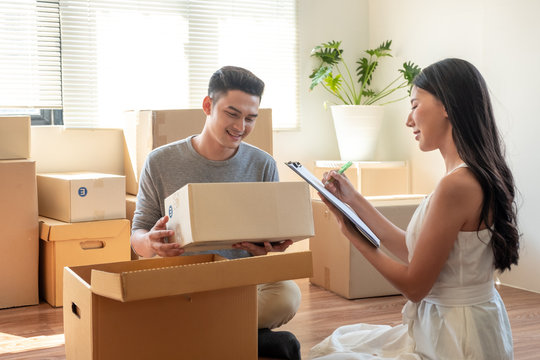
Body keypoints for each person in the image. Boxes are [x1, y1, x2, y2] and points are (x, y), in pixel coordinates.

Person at [310, 58, 519, 359]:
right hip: (462, 323)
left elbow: (415, 287)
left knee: (334, 352)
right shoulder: (469, 174)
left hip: (454, 337)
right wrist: (353, 200)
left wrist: (351, 233)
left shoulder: (456, 184)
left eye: (414, 105)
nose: (409, 120)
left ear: (446, 106)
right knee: (345, 341)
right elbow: (414, 251)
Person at [131, 65, 301, 359]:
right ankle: (240, 336)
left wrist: (269, 248)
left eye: (250, 118)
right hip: (183, 281)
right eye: (232, 114)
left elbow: (269, 241)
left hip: (240, 282)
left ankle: (197, 333)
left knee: (287, 295)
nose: (240, 127)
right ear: (208, 106)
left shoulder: (263, 164)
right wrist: (151, 243)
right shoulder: (160, 161)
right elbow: (138, 234)